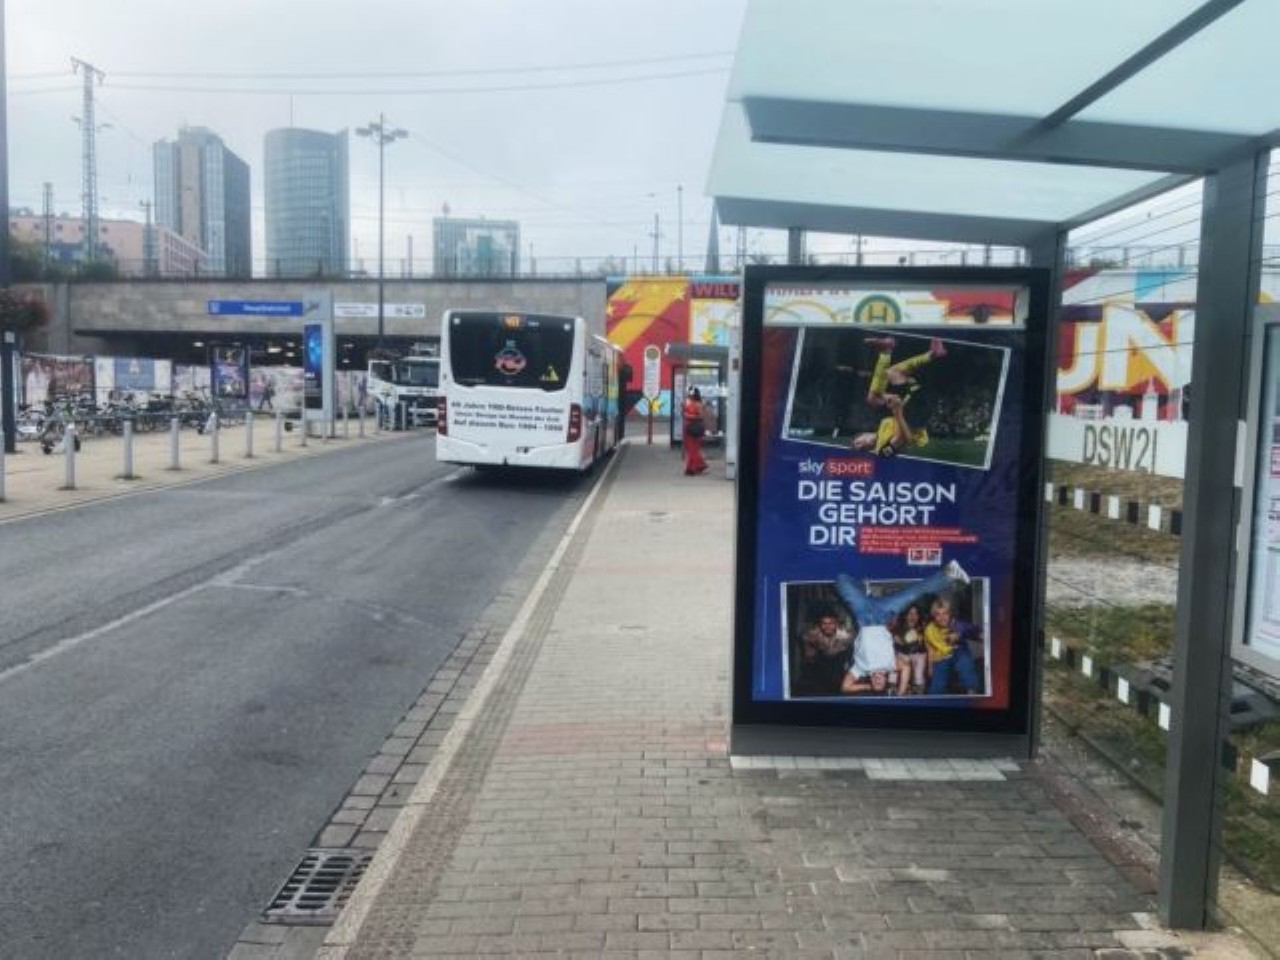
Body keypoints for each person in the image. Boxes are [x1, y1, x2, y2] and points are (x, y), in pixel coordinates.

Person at [834, 560, 969, 687]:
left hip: (863, 616)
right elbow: (906, 668)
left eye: (875, 684)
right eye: (881, 684)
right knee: (913, 594)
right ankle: (949, 573)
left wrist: (867, 687)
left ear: (871, 681)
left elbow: (845, 687)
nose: (878, 681)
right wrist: (900, 694)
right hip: (884, 614)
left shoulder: (861, 669)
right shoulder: (891, 666)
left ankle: (864, 591)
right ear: (885, 680)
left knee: (841, 579)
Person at [863, 335, 946, 408]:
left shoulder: (881, 393)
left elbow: (879, 395)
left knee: (891, 372)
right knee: (890, 375)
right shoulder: (899, 400)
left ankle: (933, 354)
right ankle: (886, 350)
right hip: (906, 391)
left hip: (899, 387)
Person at [924, 597, 982, 695]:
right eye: (938, 614)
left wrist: (960, 634)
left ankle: (971, 691)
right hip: (941, 657)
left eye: (945, 613)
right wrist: (930, 667)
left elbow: (976, 632)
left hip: (958, 651)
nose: (942, 617)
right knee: (935, 689)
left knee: (964, 662)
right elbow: (930, 649)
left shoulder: (958, 624)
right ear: (933, 616)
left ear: (950, 614)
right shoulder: (929, 630)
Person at [796, 609, 853, 696]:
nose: (827, 626)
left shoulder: (846, 637)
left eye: (831, 623)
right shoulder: (813, 634)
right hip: (821, 662)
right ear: (820, 625)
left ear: (836, 624)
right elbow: (803, 638)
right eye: (824, 623)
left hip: (838, 662)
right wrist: (809, 651)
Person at [851, 393, 928, 457]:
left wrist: (897, 404)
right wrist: (898, 412)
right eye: (862, 449)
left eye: (858, 443)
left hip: (913, 406)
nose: (863, 445)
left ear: (864, 434)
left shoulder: (884, 423)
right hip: (917, 426)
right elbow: (905, 439)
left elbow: (897, 407)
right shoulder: (882, 452)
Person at [893, 605, 929, 695]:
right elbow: (897, 646)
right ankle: (892, 688)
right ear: (905, 616)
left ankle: (918, 690)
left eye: (916, 614)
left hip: (918, 657)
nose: (913, 616)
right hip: (902, 656)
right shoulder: (898, 629)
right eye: (910, 613)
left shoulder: (923, 628)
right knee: (896, 660)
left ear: (919, 616)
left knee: (920, 661)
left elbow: (924, 648)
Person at [682, 386, 708, 475]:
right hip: (689, 427)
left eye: (689, 393)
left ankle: (691, 468)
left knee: (692, 448)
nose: (688, 395)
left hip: (693, 427)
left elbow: (701, 416)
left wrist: (688, 416)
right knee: (692, 448)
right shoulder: (690, 402)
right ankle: (699, 465)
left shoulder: (698, 404)